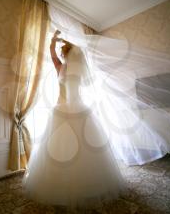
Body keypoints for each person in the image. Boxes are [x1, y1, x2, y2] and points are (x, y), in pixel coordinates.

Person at [22, 30, 124, 207]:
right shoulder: (71, 68)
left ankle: (70, 186)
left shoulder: (62, 68)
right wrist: (57, 42)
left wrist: (54, 42)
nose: (62, 56)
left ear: (67, 54)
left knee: (63, 149)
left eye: (64, 53)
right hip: (73, 111)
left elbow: (54, 56)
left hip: (63, 111)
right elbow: (57, 56)